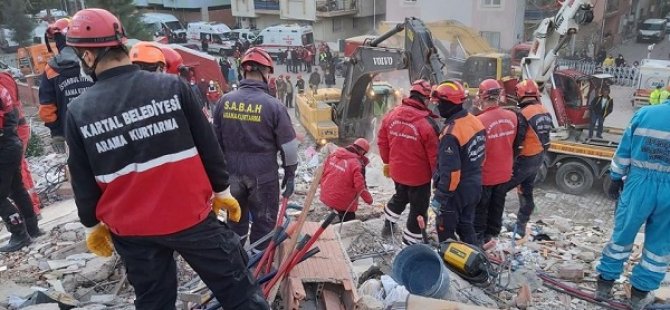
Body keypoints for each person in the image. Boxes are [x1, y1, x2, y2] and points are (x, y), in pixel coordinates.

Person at [63, 9, 267, 309]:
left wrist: (92, 224)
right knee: (239, 291)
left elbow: (82, 179)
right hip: (190, 217)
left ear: (90, 56)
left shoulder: (78, 111)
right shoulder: (172, 88)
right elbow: (209, 146)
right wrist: (222, 191)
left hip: (132, 231)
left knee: (154, 302)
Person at [213, 47, 299, 253]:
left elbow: (214, 143)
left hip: (230, 175)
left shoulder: (224, 101)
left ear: (244, 71)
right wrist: (290, 175)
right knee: (264, 224)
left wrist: (217, 176)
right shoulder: (273, 106)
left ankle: (236, 261)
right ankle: (258, 265)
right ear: (264, 72)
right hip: (262, 177)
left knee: (234, 221)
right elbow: (289, 147)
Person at [594, 98, 670, 310]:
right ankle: (639, 294)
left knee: (623, 235)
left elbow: (624, 150)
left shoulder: (646, 114)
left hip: (640, 184)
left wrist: (616, 178)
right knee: (659, 245)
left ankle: (604, 285)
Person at [378, 80, 440, 245]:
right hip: (419, 178)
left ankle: (388, 225)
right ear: (425, 99)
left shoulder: (392, 115)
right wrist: (438, 179)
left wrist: (388, 162)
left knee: (400, 197)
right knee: (418, 209)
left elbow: (382, 141)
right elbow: (435, 157)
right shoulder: (427, 124)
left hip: (398, 171)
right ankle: (411, 242)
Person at [429, 80, 486, 245]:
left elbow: (451, 173)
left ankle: (449, 266)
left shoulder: (451, 134)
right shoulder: (475, 121)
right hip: (474, 185)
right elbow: (482, 154)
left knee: (445, 232)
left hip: (456, 192)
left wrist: (441, 198)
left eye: (439, 103)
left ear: (448, 103)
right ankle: (476, 260)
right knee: (466, 226)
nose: (437, 107)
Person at [500, 80, 553, 238]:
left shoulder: (523, 114)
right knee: (526, 191)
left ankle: (492, 223)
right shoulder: (544, 110)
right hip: (539, 158)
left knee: (499, 190)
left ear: (520, 94)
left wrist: (510, 159)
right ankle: (520, 226)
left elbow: (518, 140)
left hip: (525, 158)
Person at [473, 79, 523, 246]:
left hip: (486, 174)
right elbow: (514, 143)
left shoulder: (480, 121)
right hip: (504, 173)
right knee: (497, 205)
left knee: (481, 208)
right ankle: (492, 235)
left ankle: (479, 238)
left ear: (482, 96)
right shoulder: (512, 117)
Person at [0, 72, 43, 253]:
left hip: (4, 146)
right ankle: (32, 228)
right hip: (11, 141)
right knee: (17, 188)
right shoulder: (3, 86)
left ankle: (19, 233)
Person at [38, 18, 94, 154]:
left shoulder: (51, 69)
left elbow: (47, 107)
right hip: (100, 127)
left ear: (57, 41)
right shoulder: (92, 61)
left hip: (70, 133)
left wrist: (56, 133)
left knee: (79, 171)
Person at [319, 138, 373, 222]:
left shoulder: (334, 155)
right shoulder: (357, 164)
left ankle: (333, 217)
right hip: (342, 202)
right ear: (362, 151)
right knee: (349, 219)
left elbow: (322, 173)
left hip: (326, 196)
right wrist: (369, 200)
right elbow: (360, 187)